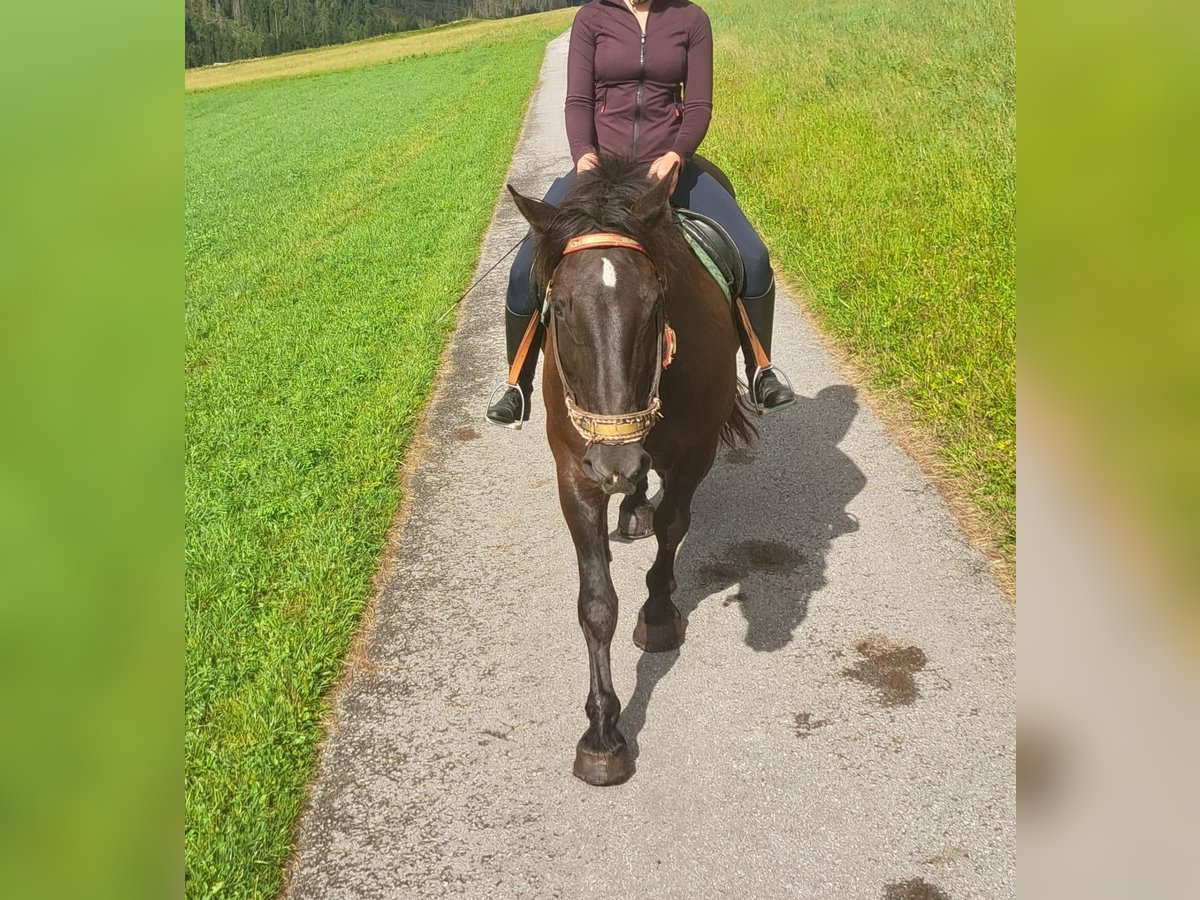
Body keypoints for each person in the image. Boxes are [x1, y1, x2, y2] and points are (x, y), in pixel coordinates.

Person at [486, 0, 795, 428]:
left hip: (666, 169)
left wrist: (676, 155)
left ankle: (760, 369)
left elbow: (699, 106)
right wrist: (584, 155)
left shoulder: (691, 19)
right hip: (601, 173)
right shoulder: (592, 18)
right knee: (524, 268)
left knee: (754, 257)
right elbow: (578, 101)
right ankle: (517, 385)